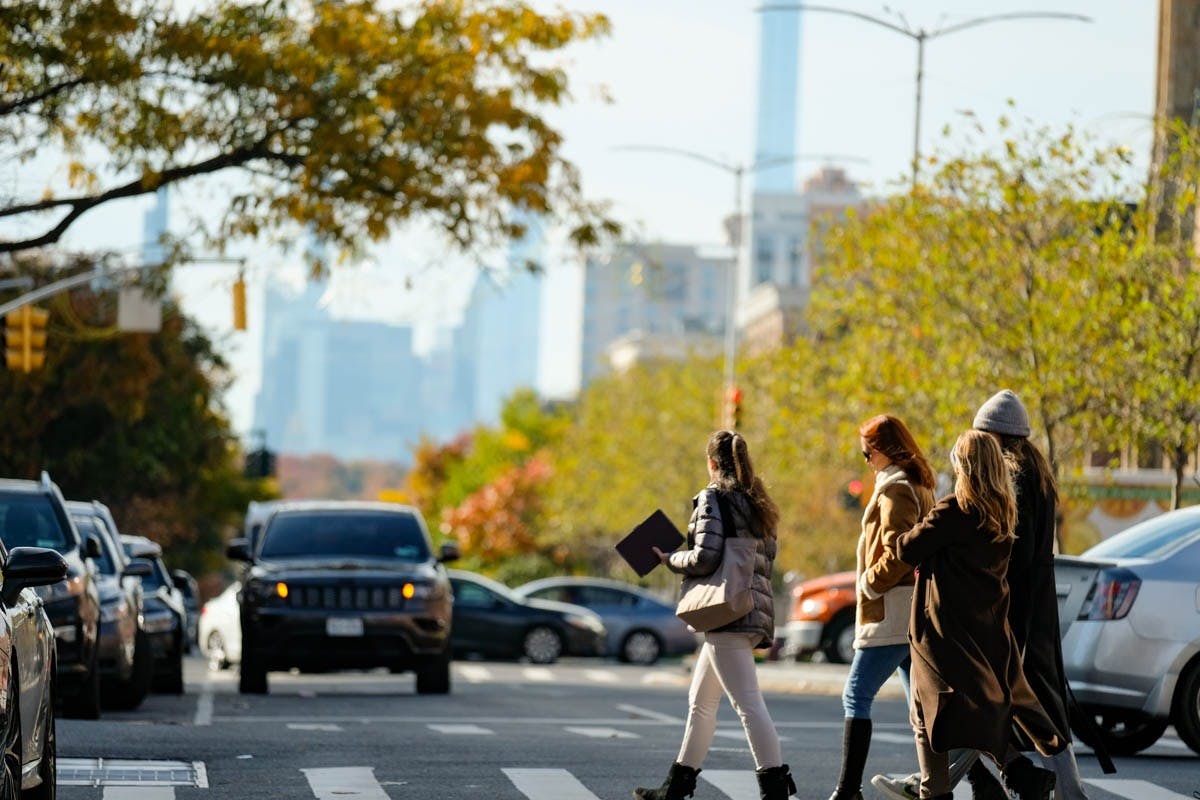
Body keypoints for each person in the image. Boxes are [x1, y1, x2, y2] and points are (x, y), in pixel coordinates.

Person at [872, 391, 1089, 800]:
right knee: (1021, 703)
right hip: (1021, 605)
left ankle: (990, 781)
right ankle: (996, 780)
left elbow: (914, 547)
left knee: (978, 703)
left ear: (992, 439)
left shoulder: (985, 498)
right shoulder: (1028, 482)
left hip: (1001, 608)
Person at [633, 430, 796, 800]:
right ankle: (676, 786)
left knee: (748, 704)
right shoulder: (758, 503)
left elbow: (705, 556)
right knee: (701, 702)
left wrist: (668, 559)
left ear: (711, 463)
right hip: (747, 609)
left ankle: (775, 790)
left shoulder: (713, 498)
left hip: (727, 613)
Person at [827, 415, 936, 800]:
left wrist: (869, 582)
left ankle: (847, 791)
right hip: (910, 609)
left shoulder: (896, 490)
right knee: (922, 709)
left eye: (867, 452)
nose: (865, 460)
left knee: (856, 695)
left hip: (892, 608)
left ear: (884, 450)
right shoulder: (915, 484)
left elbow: (900, 552)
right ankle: (968, 783)